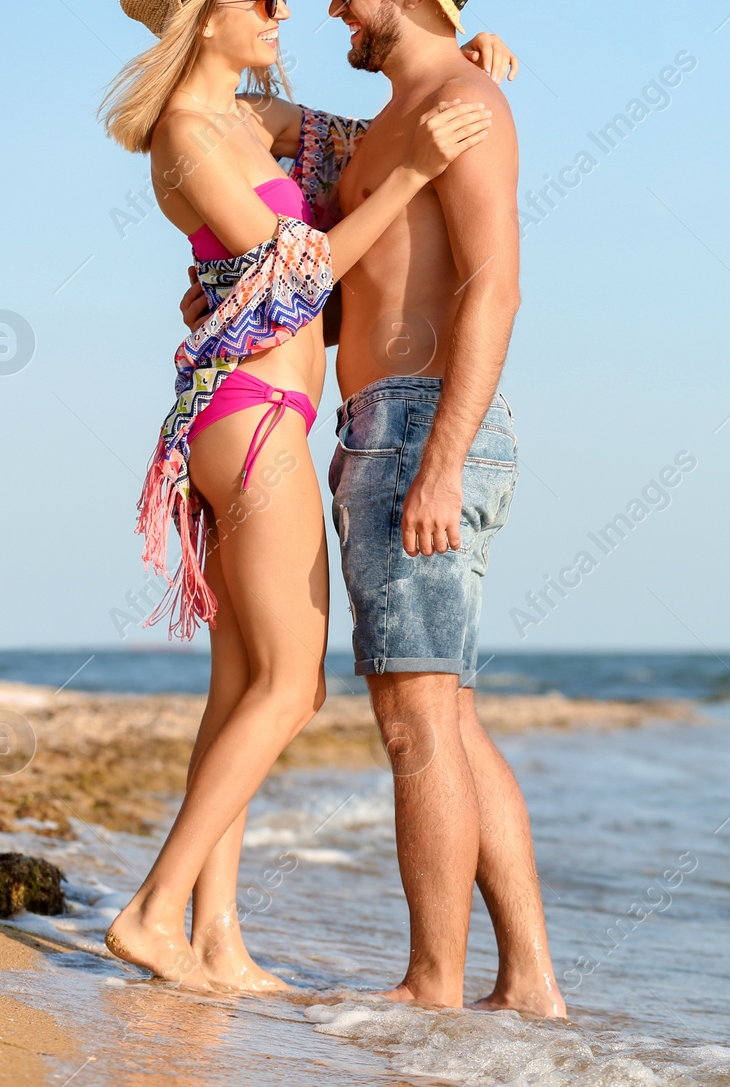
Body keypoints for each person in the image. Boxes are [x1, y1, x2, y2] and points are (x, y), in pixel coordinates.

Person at [97, 0, 505, 992]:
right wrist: (410, 173)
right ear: (203, 14)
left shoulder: (250, 122)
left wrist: (466, 58)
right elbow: (302, 278)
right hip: (253, 419)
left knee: (241, 686)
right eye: (262, 0)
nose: (284, 11)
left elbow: (377, 135)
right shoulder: (188, 137)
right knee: (293, 685)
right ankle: (153, 912)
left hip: (260, 411)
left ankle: (217, 937)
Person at [187, 0, 564, 1017]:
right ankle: (528, 983)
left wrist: (440, 462)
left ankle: (432, 985)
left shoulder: (462, 100)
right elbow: (216, 119)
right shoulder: (389, 123)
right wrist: (227, 288)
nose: (333, 10)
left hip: (423, 429)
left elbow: (495, 288)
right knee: (446, 716)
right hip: (376, 426)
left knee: (413, 724)